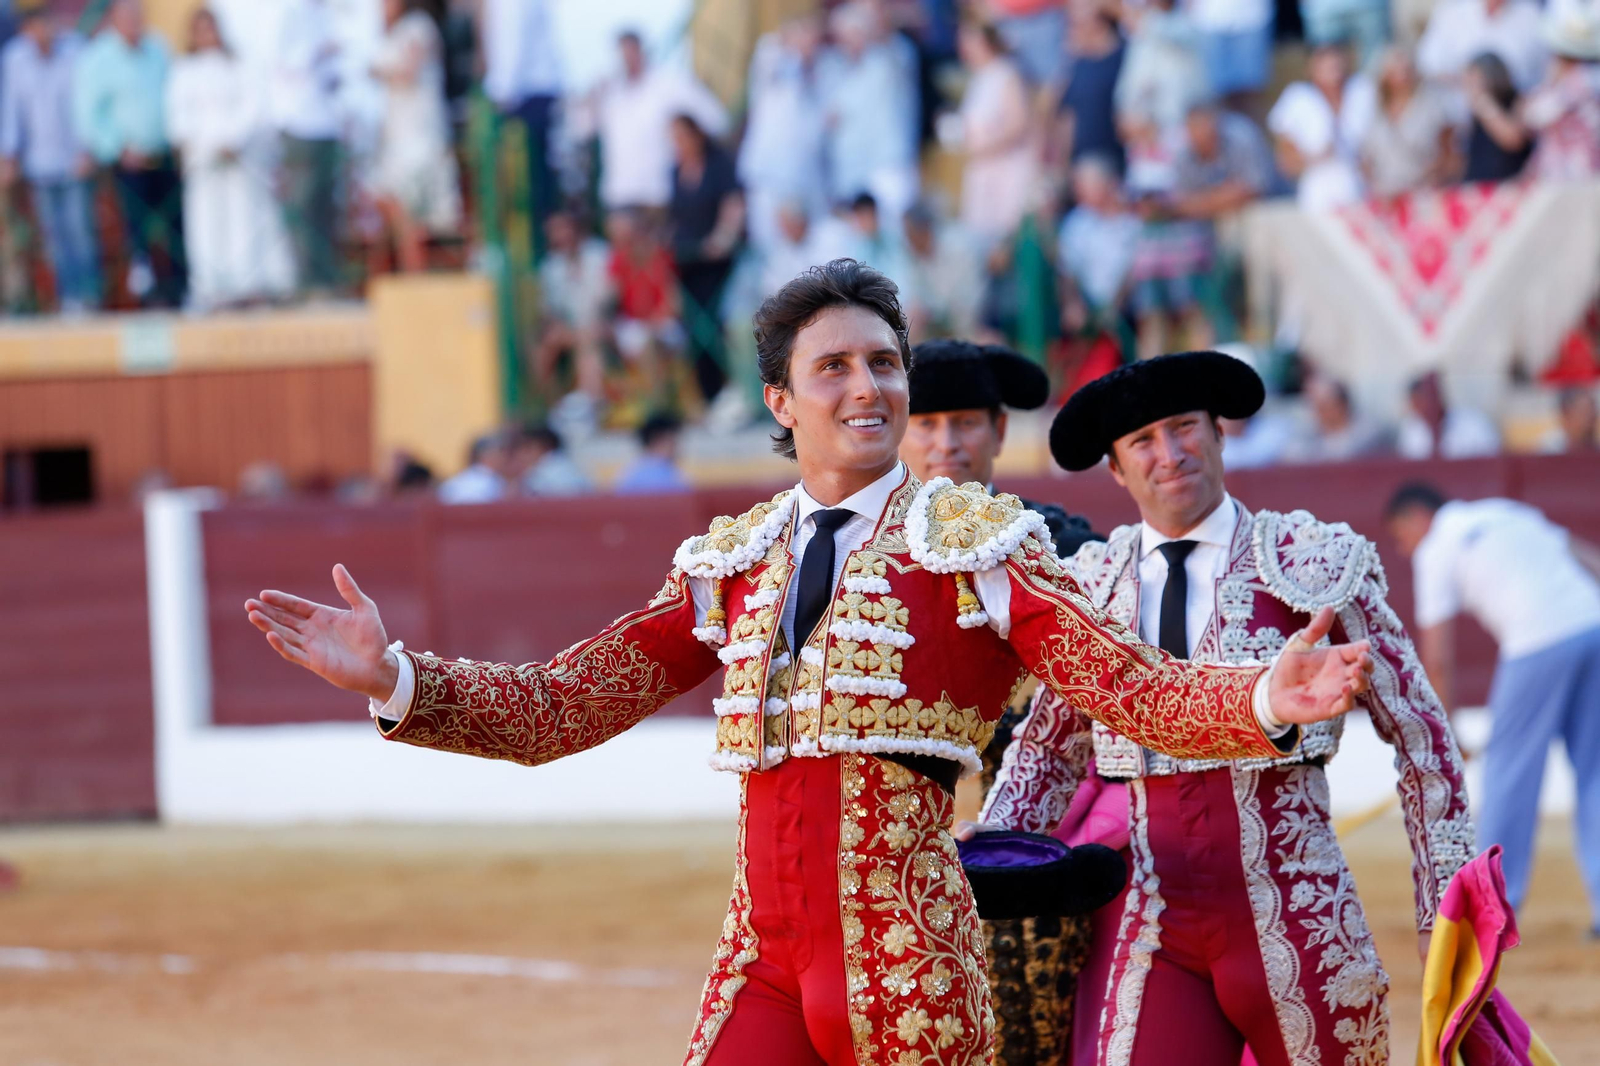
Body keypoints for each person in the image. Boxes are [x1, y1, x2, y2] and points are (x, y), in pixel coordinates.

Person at [245, 259, 1375, 1066]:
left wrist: (1266, 692)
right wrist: (398, 680)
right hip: (763, 954)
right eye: (833, 367)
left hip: (909, 952)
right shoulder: (732, 560)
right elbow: (562, 704)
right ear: (781, 403)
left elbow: (1129, 685)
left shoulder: (975, 543)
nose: (869, 387)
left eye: (883, 361)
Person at [970, 352, 1473, 1065]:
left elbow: (1421, 736)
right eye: (1143, 441)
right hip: (1152, 923)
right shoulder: (1091, 588)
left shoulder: (1308, 562)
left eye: (1184, 428)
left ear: (1219, 434)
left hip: (1302, 913)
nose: (1170, 455)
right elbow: (1050, 748)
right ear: (1115, 468)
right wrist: (988, 857)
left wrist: (1446, 912)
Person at [1386, 483, 1600, 935]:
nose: (1404, 548)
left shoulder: (1435, 548)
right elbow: (1583, 555)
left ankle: (1491, 910)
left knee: (1508, 774)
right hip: (1592, 625)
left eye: (1400, 537)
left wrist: (1446, 734)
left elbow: (1438, 659)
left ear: (1416, 519)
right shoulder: (1506, 510)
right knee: (1596, 773)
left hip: (1536, 644)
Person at [901, 338, 1102, 556]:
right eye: (926, 424)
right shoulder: (869, 540)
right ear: (897, 433)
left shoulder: (1061, 546)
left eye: (967, 422)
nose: (947, 444)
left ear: (1000, 431)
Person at [165, 7, 294, 310]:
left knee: (244, 220)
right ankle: (211, 288)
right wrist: (206, 144)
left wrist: (233, 139)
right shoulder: (184, 71)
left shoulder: (238, 66)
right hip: (203, 161)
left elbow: (254, 105)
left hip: (239, 158)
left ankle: (250, 285)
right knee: (206, 223)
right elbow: (179, 117)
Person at [73, 0, 185, 307]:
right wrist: (117, 147)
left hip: (164, 154)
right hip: (128, 162)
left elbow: (176, 94)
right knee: (137, 231)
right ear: (114, 20)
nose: (135, 21)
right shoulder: (98, 58)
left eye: (138, 15)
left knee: (176, 225)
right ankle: (144, 295)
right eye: (128, 16)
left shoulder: (157, 48)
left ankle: (179, 290)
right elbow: (89, 114)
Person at [0, 1, 98, 313]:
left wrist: (88, 148)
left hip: (74, 159)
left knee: (80, 231)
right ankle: (67, 300)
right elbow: (12, 111)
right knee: (53, 237)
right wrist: (8, 154)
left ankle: (90, 297)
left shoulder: (75, 52)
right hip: (39, 162)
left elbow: (86, 104)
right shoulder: (15, 59)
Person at [370, 0, 462, 274]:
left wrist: (373, 71)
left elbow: (409, 70)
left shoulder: (418, 27)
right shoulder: (396, 33)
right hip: (399, 141)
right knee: (394, 207)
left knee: (412, 214)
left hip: (419, 141)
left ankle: (416, 277)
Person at [593, 30, 727, 212]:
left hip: (657, 194)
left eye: (631, 51)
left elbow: (715, 119)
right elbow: (580, 126)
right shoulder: (611, 93)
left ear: (641, 50)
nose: (627, 58)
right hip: (620, 195)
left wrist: (695, 159)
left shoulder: (670, 84)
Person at [1464, 5, 1600, 183]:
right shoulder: (1583, 81)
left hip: (1575, 180)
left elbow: (1524, 123)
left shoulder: (1579, 84)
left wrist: (1481, 99)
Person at [668, 113, 744, 408]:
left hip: (715, 259)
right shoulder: (675, 171)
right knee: (692, 327)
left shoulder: (718, 165)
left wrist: (722, 238)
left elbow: (733, 205)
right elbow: (675, 215)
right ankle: (706, 395)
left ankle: (730, 390)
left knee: (717, 323)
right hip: (687, 259)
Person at [820, 2, 920, 220]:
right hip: (851, 171)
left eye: (854, 34)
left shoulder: (889, 60)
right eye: (842, 36)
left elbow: (890, 39)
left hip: (886, 165)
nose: (848, 41)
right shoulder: (836, 71)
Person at [738, 15, 828, 251]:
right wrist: (793, 42)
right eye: (804, 37)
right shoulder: (773, 63)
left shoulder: (820, 77)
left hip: (803, 181)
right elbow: (768, 54)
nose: (809, 45)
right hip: (768, 177)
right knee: (766, 247)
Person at [274, 0, 345, 294]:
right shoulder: (289, 13)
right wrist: (319, 52)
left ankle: (327, 277)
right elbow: (284, 60)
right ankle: (303, 281)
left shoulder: (331, 15)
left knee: (327, 207)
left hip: (328, 123)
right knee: (300, 207)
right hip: (299, 122)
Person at [480, 0, 562, 237]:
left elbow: (512, 43)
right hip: (533, 92)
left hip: (526, 96)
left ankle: (539, 245)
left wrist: (501, 94)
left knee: (530, 185)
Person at [955, 20, 1038, 247]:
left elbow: (1018, 124)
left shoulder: (1006, 74)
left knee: (1007, 238)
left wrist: (986, 148)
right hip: (982, 169)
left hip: (1005, 169)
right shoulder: (979, 78)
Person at [1267, 41, 1372, 210]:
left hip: (1365, 188)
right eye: (1325, 65)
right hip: (1318, 192)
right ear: (1311, 69)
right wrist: (1316, 158)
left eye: (1335, 64)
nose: (1332, 71)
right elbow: (1285, 162)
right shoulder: (1297, 98)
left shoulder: (1362, 91)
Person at [534, 209, 612, 429]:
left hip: (602, 324)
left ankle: (594, 410)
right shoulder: (551, 266)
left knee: (588, 343)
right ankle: (553, 409)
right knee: (541, 347)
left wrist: (594, 324)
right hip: (571, 328)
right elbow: (550, 310)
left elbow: (610, 299)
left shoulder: (600, 255)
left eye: (563, 229)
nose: (560, 236)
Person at [1359, 46, 1456, 198]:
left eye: (1406, 69)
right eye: (1396, 70)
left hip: (1423, 192)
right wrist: (1376, 186)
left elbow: (1448, 155)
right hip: (1385, 196)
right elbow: (1366, 157)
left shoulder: (1432, 106)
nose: (1402, 76)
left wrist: (1429, 181)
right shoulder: (1375, 110)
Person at [1460, 51, 1533, 183]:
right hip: (1477, 185)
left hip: (1509, 184)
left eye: (1474, 77)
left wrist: (1483, 101)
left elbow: (1513, 140)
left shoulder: (1516, 100)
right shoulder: (1477, 111)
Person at [1395, 370, 1501, 459]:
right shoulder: (1411, 430)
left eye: (1426, 400)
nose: (1424, 408)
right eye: (1417, 404)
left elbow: (1491, 461)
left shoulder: (1474, 423)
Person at [1286, 374, 1391, 461]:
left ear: (1341, 404)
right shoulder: (1307, 434)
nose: (1319, 414)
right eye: (1315, 407)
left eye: (1324, 407)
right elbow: (1293, 455)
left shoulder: (1369, 431)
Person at [613, 412, 692, 495]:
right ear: (658, 440)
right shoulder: (637, 474)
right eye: (673, 440)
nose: (677, 446)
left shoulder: (630, 473)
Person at [515, 422, 592, 497]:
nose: (522, 454)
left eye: (528, 448)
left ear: (545, 447)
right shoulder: (566, 466)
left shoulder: (546, 473)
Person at [436, 431, 514, 504]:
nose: (504, 458)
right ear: (487, 456)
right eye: (500, 453)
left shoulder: (453, 481)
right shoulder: (492, 482)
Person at [1541, 385, 1598, 452]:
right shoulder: (1550, 449)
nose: (1591, 418)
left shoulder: (1596, 447)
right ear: (1566, 415)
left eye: (1592, 411)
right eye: (1584, 412)